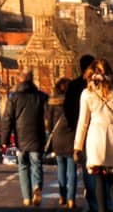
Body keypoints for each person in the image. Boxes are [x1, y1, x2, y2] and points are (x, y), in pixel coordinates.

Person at [3, 67, 49, 206]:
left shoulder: (14, 97)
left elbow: (7, 119)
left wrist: (4, 139)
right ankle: (37, 186)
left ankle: (27, 197)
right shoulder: (41, 97)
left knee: (23, 166)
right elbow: (48, 116)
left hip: (21, 139)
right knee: (36, 164)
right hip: (37, 137)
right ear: (32, 79)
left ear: (20, 79)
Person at [74, 59, 113, 212]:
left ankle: (102, 209)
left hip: (96, 138)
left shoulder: (87, 93)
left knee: (99, 180)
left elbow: (83, 122)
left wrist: (77, 146)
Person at [67, 56, 101, 212]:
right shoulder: (102, 86)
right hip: (102, 132)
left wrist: (76, 136)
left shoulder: (75, 86)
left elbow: (69, 110)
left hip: (86, 133)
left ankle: (94, 202)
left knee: (89, 168)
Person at [50, 76, 79, 209]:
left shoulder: (52, 103)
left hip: (57, 140)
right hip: (71, 140)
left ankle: (62, 196)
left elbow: (48, 123)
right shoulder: (75, 103)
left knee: (61, 169)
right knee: (72, 171)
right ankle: (71, 199)